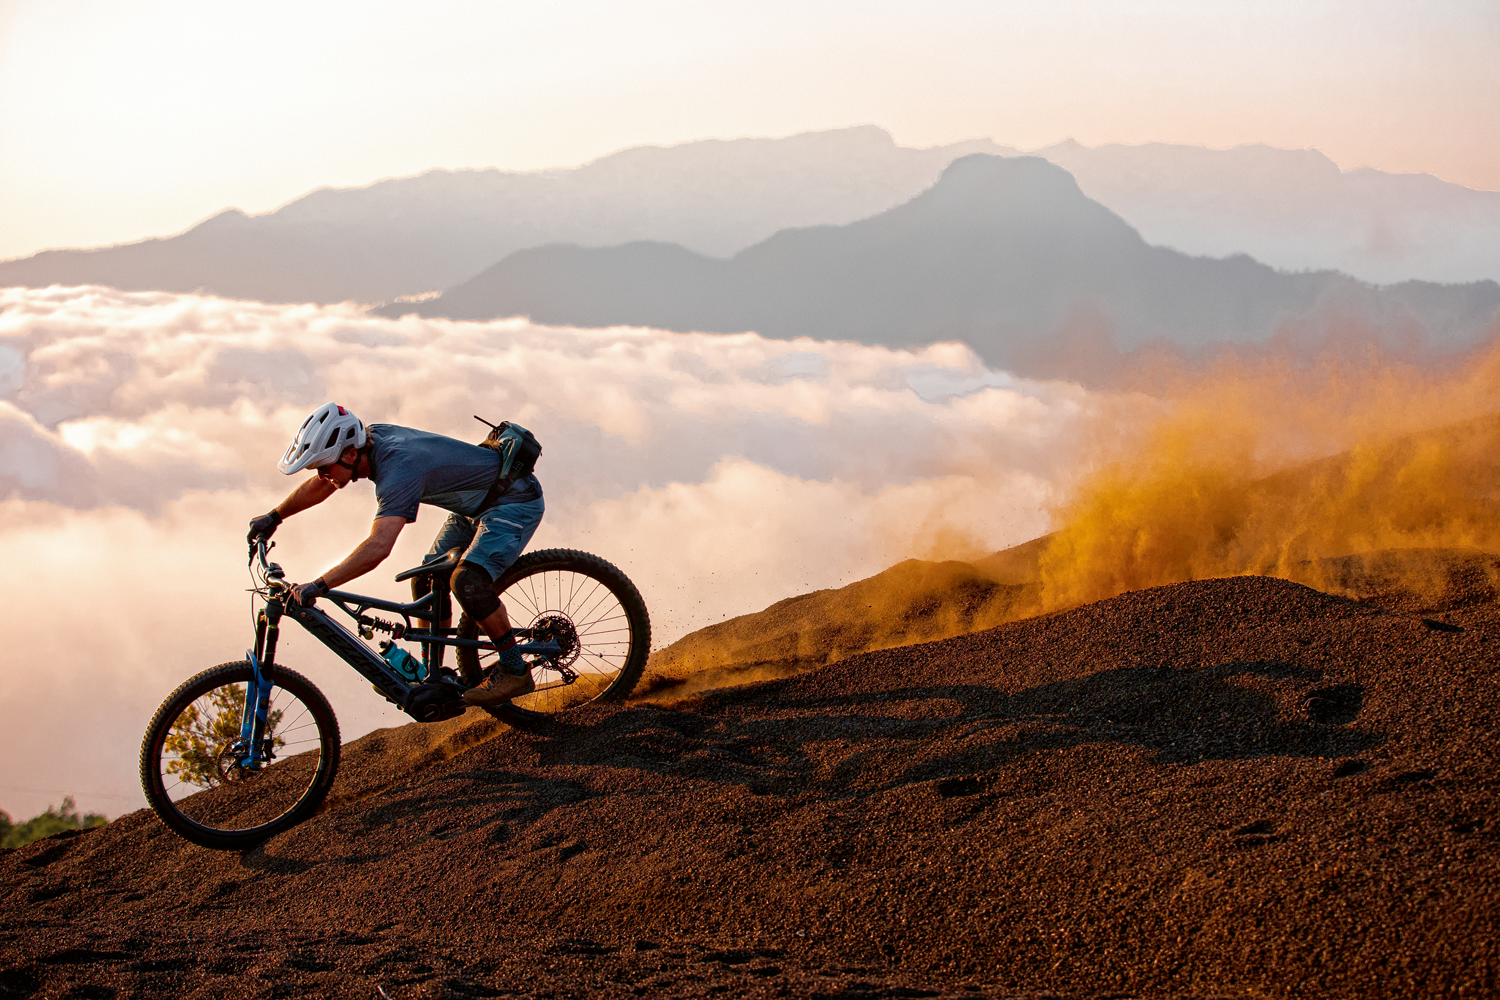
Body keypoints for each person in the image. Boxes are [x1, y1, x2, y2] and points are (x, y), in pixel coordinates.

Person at [245, 402, 543, 706]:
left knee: (467, 581)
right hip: (475, 505)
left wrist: (319, 585)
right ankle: (434, 675)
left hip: (513, 503)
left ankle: (514, 669)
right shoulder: (368, 440)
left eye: (324, 467)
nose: (322, 475)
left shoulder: (397, 470)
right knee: (428, 577)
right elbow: (326, 484)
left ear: (350, 455)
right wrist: (274, 516)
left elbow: (378, 547)